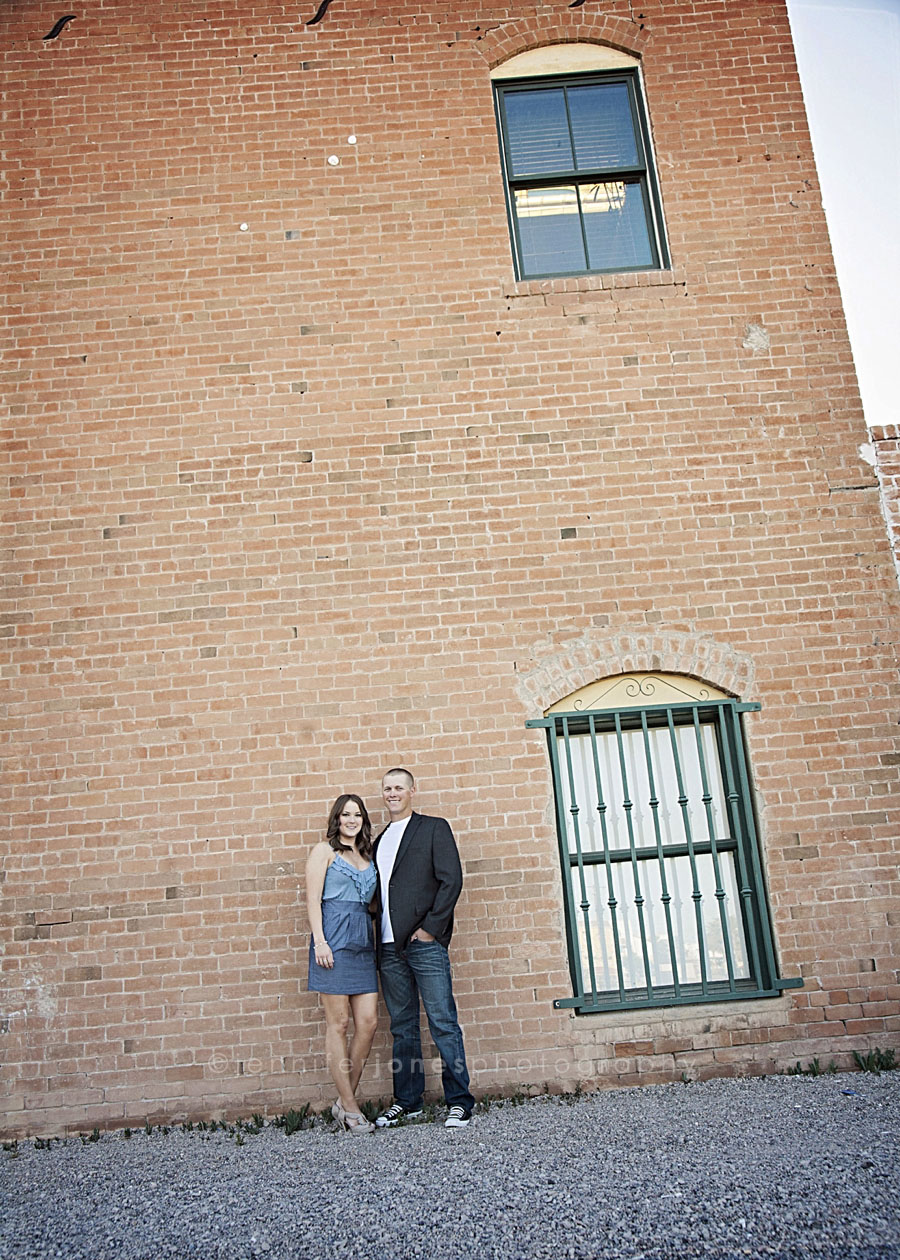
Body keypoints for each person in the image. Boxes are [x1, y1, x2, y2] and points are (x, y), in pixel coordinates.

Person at [373, 767, 475, 1129]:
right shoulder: (379, 839)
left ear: (412, 790)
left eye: (398, 787)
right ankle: (408, 1101)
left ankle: (460, 1101)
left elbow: (452, 880)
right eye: (387, 788)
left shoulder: (433, 828)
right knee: (402, 1027)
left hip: (424, 944)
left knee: (443, 1022)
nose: (392, 793)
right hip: (387, 947)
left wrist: (430, 930)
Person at [306, 794, 379, 1135]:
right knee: (338, 1023)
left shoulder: (366, 854)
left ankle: (342, 1100)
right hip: (332, 943)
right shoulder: (324, 851)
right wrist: (320, 941)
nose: (352, 819)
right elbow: (312, 900)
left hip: (363, 942)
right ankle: (350, 1108)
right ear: (336, 818)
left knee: (369, 1022)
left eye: (357, 814)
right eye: (345, 814)